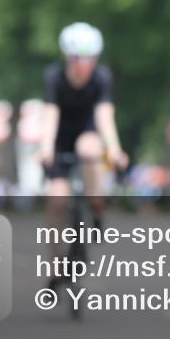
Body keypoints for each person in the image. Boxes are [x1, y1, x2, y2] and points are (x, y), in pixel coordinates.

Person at [41, 22, 129, 286]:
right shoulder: (54, 77)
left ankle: (96, 207)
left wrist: (114, 148)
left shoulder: (101, 78)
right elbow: (51, 114)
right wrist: (45, 147)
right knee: (57, 202)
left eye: (89, 59)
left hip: (86, 130)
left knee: (89, 149)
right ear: (68, 58)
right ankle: (55, 268)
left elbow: (104, 115)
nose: (84, 65)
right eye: (78, 59)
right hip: (60, 137)